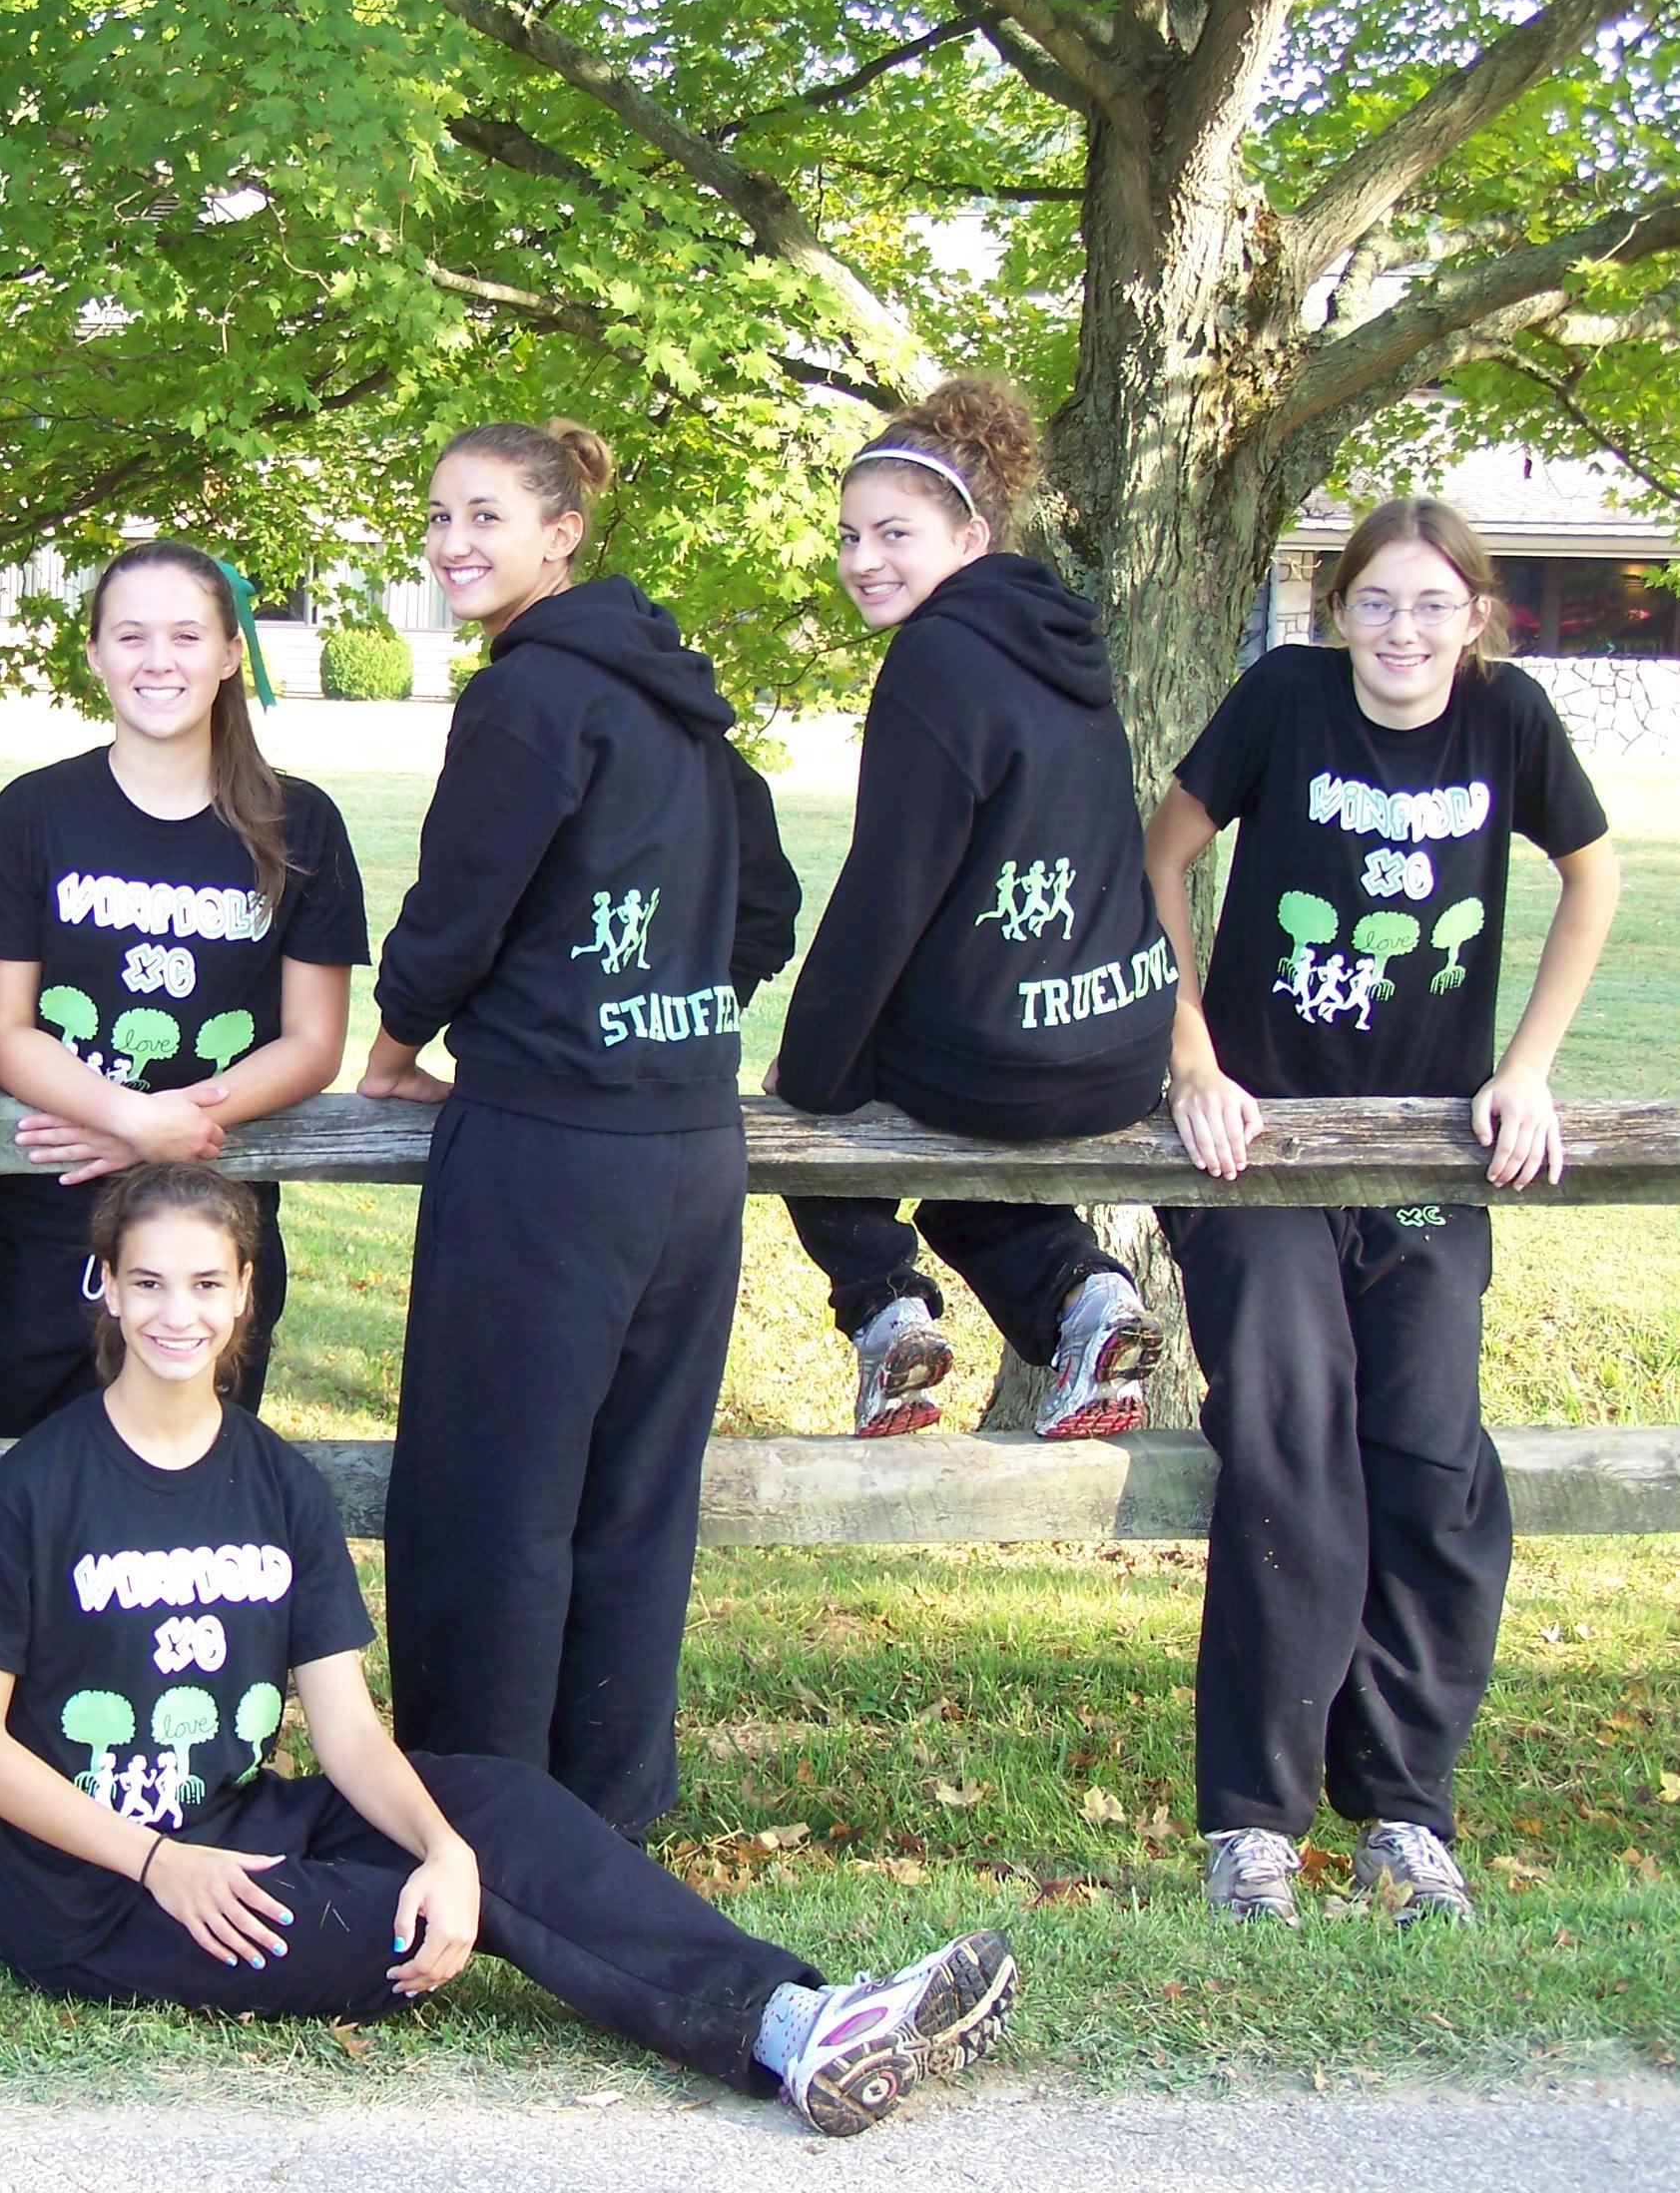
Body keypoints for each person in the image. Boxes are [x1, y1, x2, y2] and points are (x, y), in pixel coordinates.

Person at [0, 1162, 1016, 2136]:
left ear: (245, 1291)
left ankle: (798, 2021)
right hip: (95, 1896)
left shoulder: (277, 1484)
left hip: (241, 1826)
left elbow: (347, 1733)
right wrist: (160, 1864)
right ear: (106, 1287)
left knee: (496, 1812)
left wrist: (445, 1846)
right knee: (393, 1925)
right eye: (148, 1282)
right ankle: (785, 2030)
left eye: (205, 1283)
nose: (175, 1313)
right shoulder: (40, 1487)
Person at [1144, 496, 1618, 1927]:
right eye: (1374, 602)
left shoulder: (1506, 718)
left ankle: (1404, 1814)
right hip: (1261, 1156)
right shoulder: (1283, 698)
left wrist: (1524, 1070)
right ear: (1335, 608)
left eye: (1430, 604)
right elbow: (1158, 857)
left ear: (1474, 615)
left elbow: (1591, 874)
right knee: (1289, 1435)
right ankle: (1253, 1828)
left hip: (1420, 1159)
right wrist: (1191, 1055)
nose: (1401, 630)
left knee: (1429, 1460)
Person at [359, 419, 795, 1831]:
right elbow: (767, 907)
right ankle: (604, 1819)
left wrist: (393, 1046)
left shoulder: (527, 696)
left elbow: (457, 908)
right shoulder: (681, 693)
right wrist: (661, 1010)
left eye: (485, 515)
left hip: (549, 1150)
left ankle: (479, 1822)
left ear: (560, 535)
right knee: (633, 1500)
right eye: (438, 516)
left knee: (491, 1500)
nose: (452, 543)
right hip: (691, 1149)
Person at [771, 379, 1174, 1440]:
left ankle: (887, 1317)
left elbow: (887, 891)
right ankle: (1090, 1302)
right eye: (849, 535)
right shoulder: (1064, 643)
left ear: (970, 536)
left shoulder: (935, 657)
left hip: (1012, 1057)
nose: (863, 559)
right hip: (1124, 1042)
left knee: (809, 1125)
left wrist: (805, 1074)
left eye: (894, 533)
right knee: (963, 1174)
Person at [0, 539, 367, 1436]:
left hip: (211, 1223)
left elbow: (312, 1042)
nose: (158, 660)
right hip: (39, 1217)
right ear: (95, 653)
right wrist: (130, 1119)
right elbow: (3, 1030)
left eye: (186, 636)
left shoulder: (300, 823)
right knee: (15, 1472)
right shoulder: (33, 813)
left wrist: (170, 1126)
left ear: (229, 653)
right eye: (131, 636)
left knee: (190, 1478)